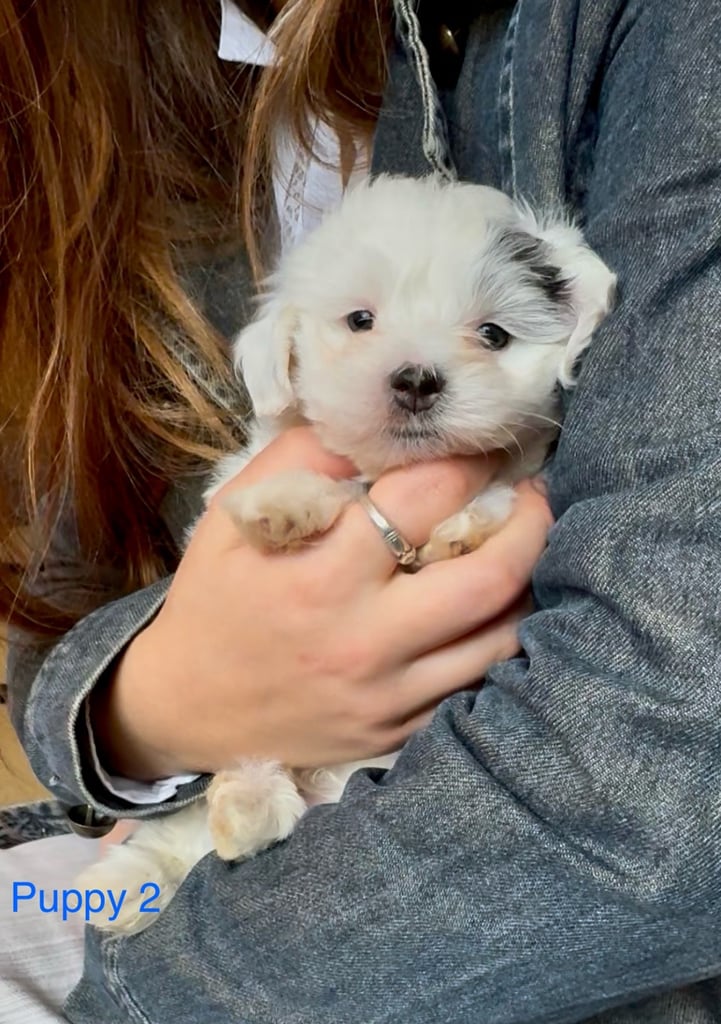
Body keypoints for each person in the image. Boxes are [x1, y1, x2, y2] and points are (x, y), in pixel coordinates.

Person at [1, 0, 720, 1021]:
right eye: (358, 322)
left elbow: (666, 784)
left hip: (464, 929)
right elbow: (54, 629)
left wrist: (134, 985)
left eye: (482, 333)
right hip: (184, 865)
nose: (416, 370)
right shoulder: (101, 87)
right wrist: (152, 703)